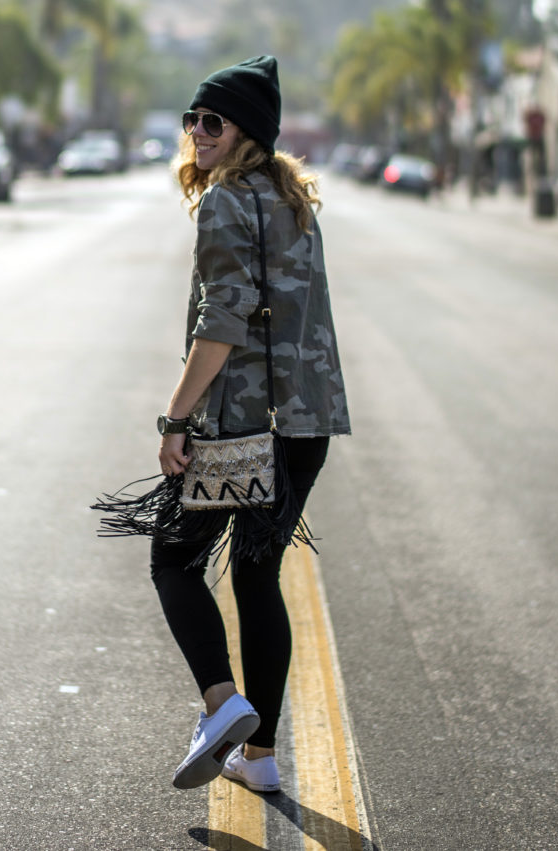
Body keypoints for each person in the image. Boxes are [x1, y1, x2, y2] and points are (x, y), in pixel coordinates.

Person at [151, 56, 351, 792]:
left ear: (247, 135)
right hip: (307, 423)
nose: (197, 133)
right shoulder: (294, 202)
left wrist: (176, 418)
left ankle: (220, 704)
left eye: (214, 122)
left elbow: (221, 324)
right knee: (257, 576)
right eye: (192, 120)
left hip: (240, 426)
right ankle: (260, 759)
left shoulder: (227, 202)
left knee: (172, 562)